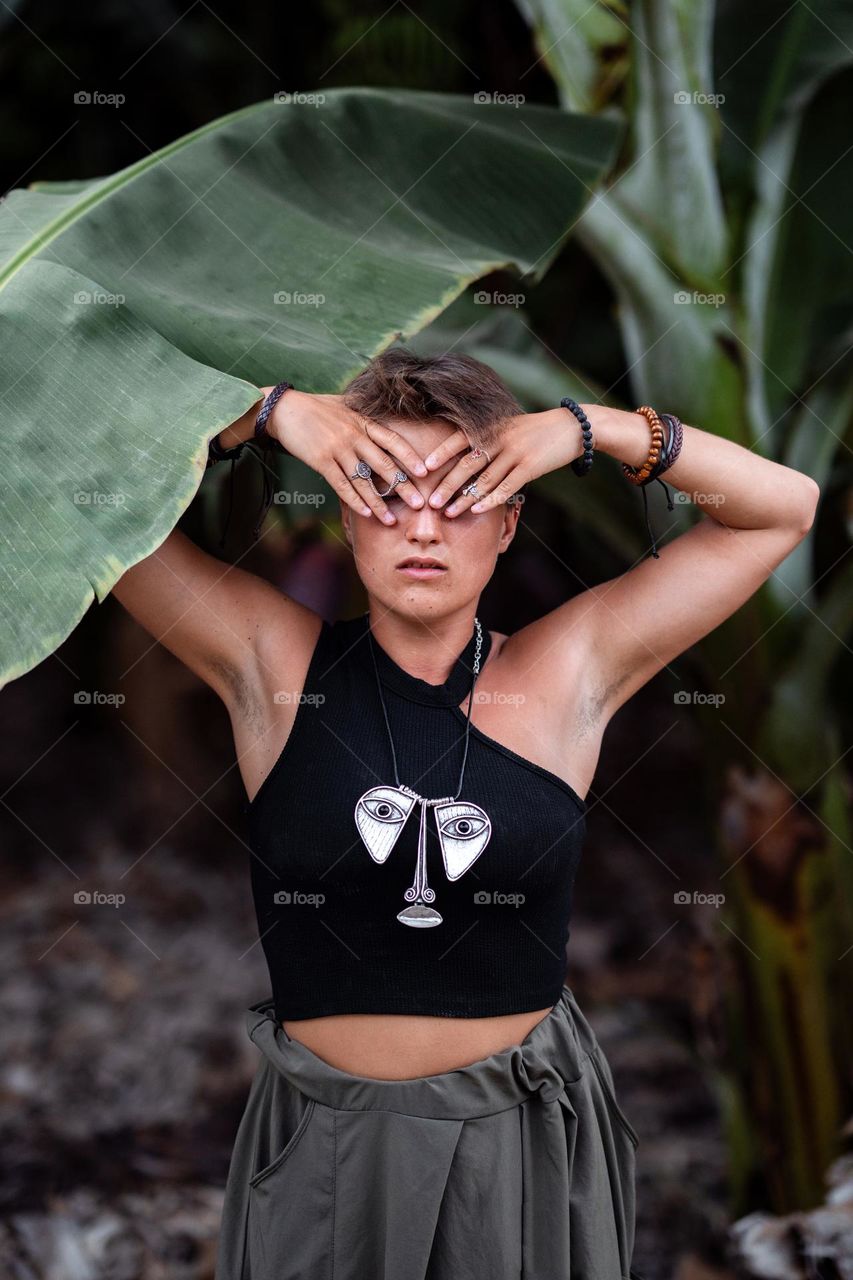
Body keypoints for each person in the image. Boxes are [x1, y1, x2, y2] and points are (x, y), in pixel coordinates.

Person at [111, 348, 819, 1280]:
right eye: (386, 490)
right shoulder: (270, 666)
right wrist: (275, 413)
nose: (423, 528)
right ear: (341, 512)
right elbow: (90, 485)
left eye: (461, 493)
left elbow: (781, 509)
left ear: (509, 523)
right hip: (329, 1145)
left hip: (516, 1141)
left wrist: (585, 429)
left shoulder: (568, 670)